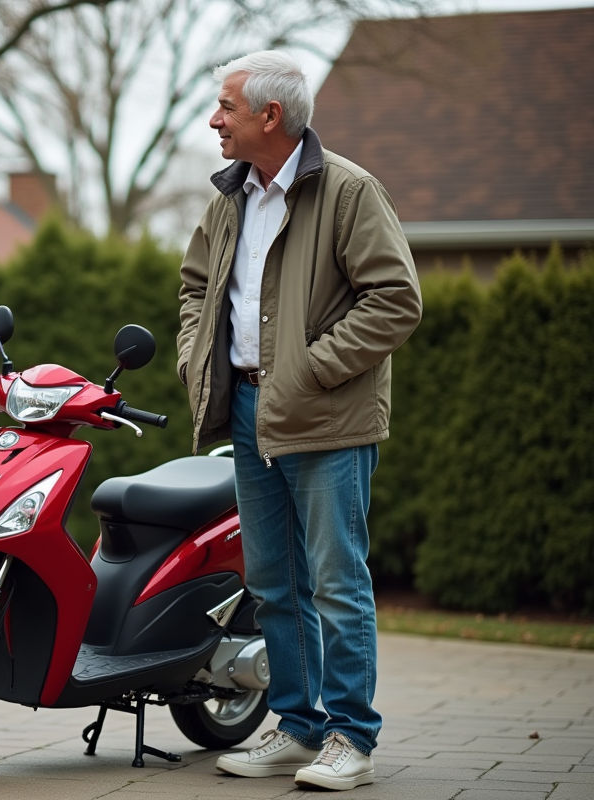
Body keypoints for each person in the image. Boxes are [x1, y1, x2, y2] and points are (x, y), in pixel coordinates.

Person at [176, 51, 421, 792]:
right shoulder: (229, 199)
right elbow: (195, 286)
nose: (215, 119)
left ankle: (351, 737)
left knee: (337, 583)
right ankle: (298, 727)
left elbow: (395, 301)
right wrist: (198, 356)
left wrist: (306, 370)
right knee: (274, 583)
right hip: (248, 412)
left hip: (327, 419)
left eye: (225, 106)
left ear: (269, 117)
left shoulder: (348, 191)